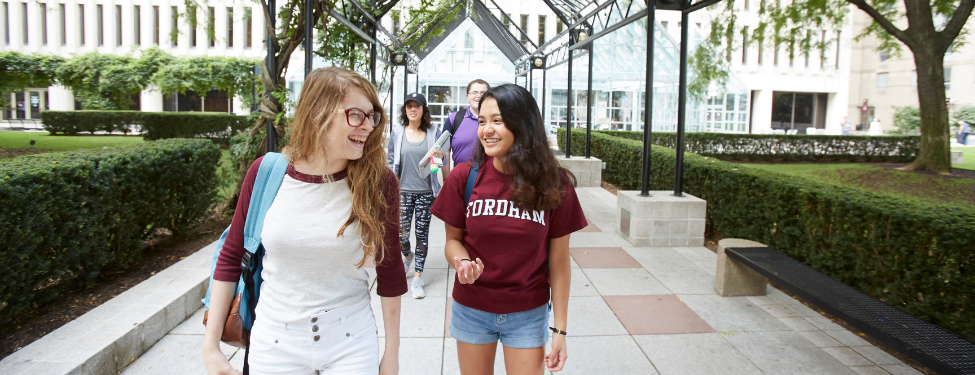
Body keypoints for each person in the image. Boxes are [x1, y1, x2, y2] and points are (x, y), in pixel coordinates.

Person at [203, 67, 406, 375]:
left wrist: (392, 352)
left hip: (351, 340)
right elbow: (231, 257)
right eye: (356, 114)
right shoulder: (266, 172)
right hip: (274, 342)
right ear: (318, 113)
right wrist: (210, 346)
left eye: (372, 115)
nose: (368, 126)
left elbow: (389, 270)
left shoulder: (379, 182)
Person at [431, 84, 588, 375]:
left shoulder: (555, 184)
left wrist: (560, 331)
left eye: (497, 121)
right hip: (472, 310)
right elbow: (452, 241)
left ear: (522, 124)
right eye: (482, 121)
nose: (486, 130)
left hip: (528, 312)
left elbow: (559, 261)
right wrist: (462, 261)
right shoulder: (464, 177)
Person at [387, 92, 443, 299]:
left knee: (422, 235)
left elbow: (438, 166)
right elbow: (391, 159)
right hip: (402, 192)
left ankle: (418, 277)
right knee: (401, 235)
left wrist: (438, 162)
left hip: (425, 193)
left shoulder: (433, 132)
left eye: (416, 106)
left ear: (423, 110)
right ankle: (407, 256)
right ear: (405, 110)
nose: (412, 109)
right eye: (409, 106)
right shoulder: (398, 131)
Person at [442, 79, 491, 178]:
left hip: (489, 180)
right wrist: (446, 179)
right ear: (467, 97)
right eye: (474, 92)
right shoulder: (454, 119)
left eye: (483, 93)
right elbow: (444, 150)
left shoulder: (498, 121)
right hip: (460, 180)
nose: (478, 96)